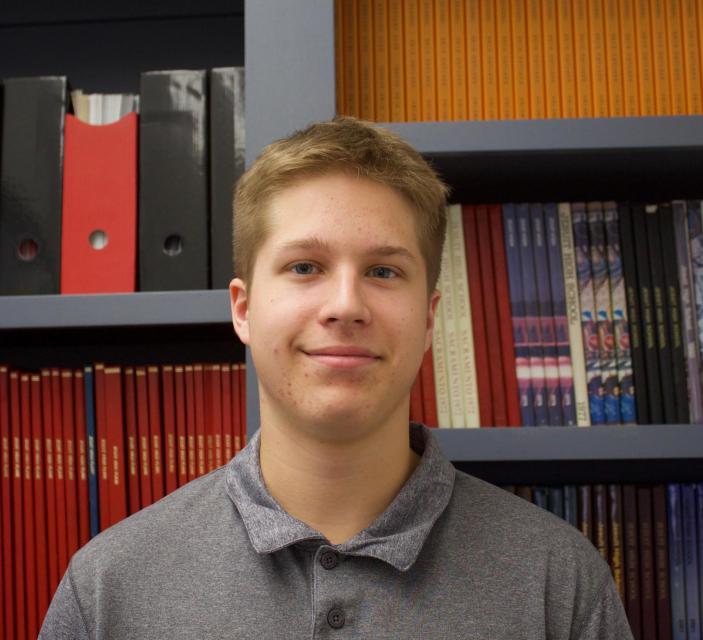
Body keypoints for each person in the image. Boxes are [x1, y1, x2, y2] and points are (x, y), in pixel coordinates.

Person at [40, 117, 633, 639]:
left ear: (429, 319)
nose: (345, 305)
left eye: (382, 269)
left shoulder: (561, 585)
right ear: (243, 310)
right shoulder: (106, 589)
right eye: (305, 267)